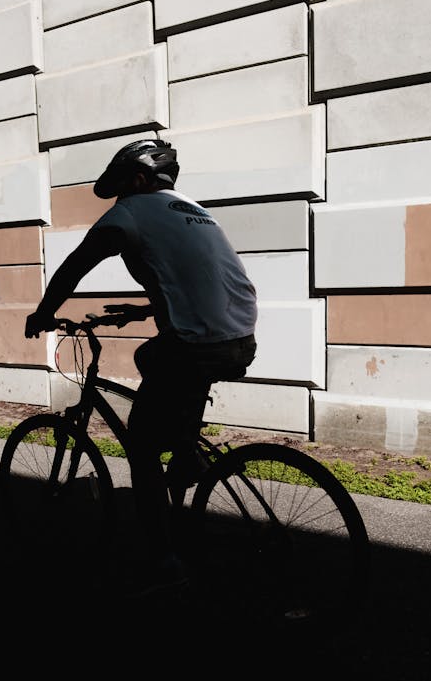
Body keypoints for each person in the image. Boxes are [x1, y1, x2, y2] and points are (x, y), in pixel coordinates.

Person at [25, 139, 257, 590]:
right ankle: (187, 449)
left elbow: (76, 265)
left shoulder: (131, 211)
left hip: (193, 344)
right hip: (239, 339)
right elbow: (199, 281)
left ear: (138, 179)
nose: (116, 201)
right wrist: (142, 311)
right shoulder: (194, 210)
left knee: (143, 444)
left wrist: (43, 312)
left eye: (120, 189)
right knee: (157, 358)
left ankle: (163, 560)